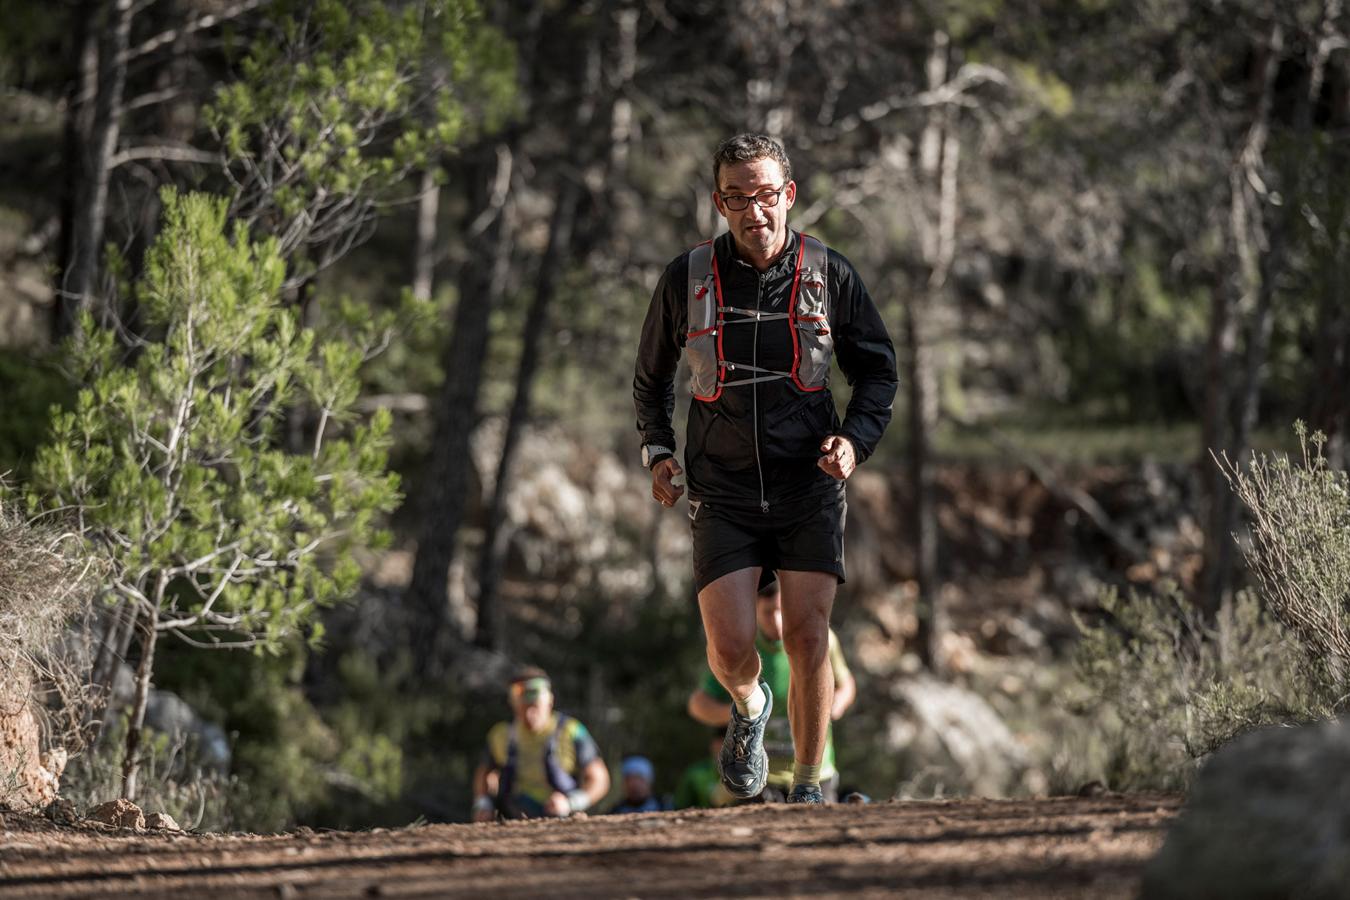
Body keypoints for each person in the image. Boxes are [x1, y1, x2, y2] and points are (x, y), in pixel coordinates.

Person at [634, 133, 896, 805]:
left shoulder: (828, 272)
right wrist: (658, 452)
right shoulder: (687, 278)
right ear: (720, 203)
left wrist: (853, 442)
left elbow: (877, 372)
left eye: (767, 194)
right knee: (729, 650)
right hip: (720, 491)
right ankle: (749, 707)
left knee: (809, 636)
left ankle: (810, 785)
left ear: (790, 195)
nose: (755, 211)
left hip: (807, 482)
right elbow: (650, 382)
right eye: (738, 197)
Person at [687, 578, 856, 801]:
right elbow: (698, 704)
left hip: (817, 774)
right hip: (762, 778)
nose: (777, 622)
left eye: (782, 611)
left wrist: (834, 706)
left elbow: (846, 684)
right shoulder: (740, 649)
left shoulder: (819, 639)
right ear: (754, 608)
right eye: (768, 612)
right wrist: (743, 713)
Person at [472, 667, 610, 821]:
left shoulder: (572, 730)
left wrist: (572, 802)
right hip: (512, 818)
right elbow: (484, 773)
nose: (530, 711)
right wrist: (483, 804)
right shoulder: (500, 735)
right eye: (522, 702)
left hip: (561, 818)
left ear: (550, 700)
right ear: (512, 702)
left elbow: (599, 778)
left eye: (535, 704)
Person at [673, 728, 734, 810]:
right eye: (720, 743)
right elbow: (679, 806)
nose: (723, 748)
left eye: (729, 744)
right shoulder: (694, 773)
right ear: (712, 745)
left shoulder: (746, 773)